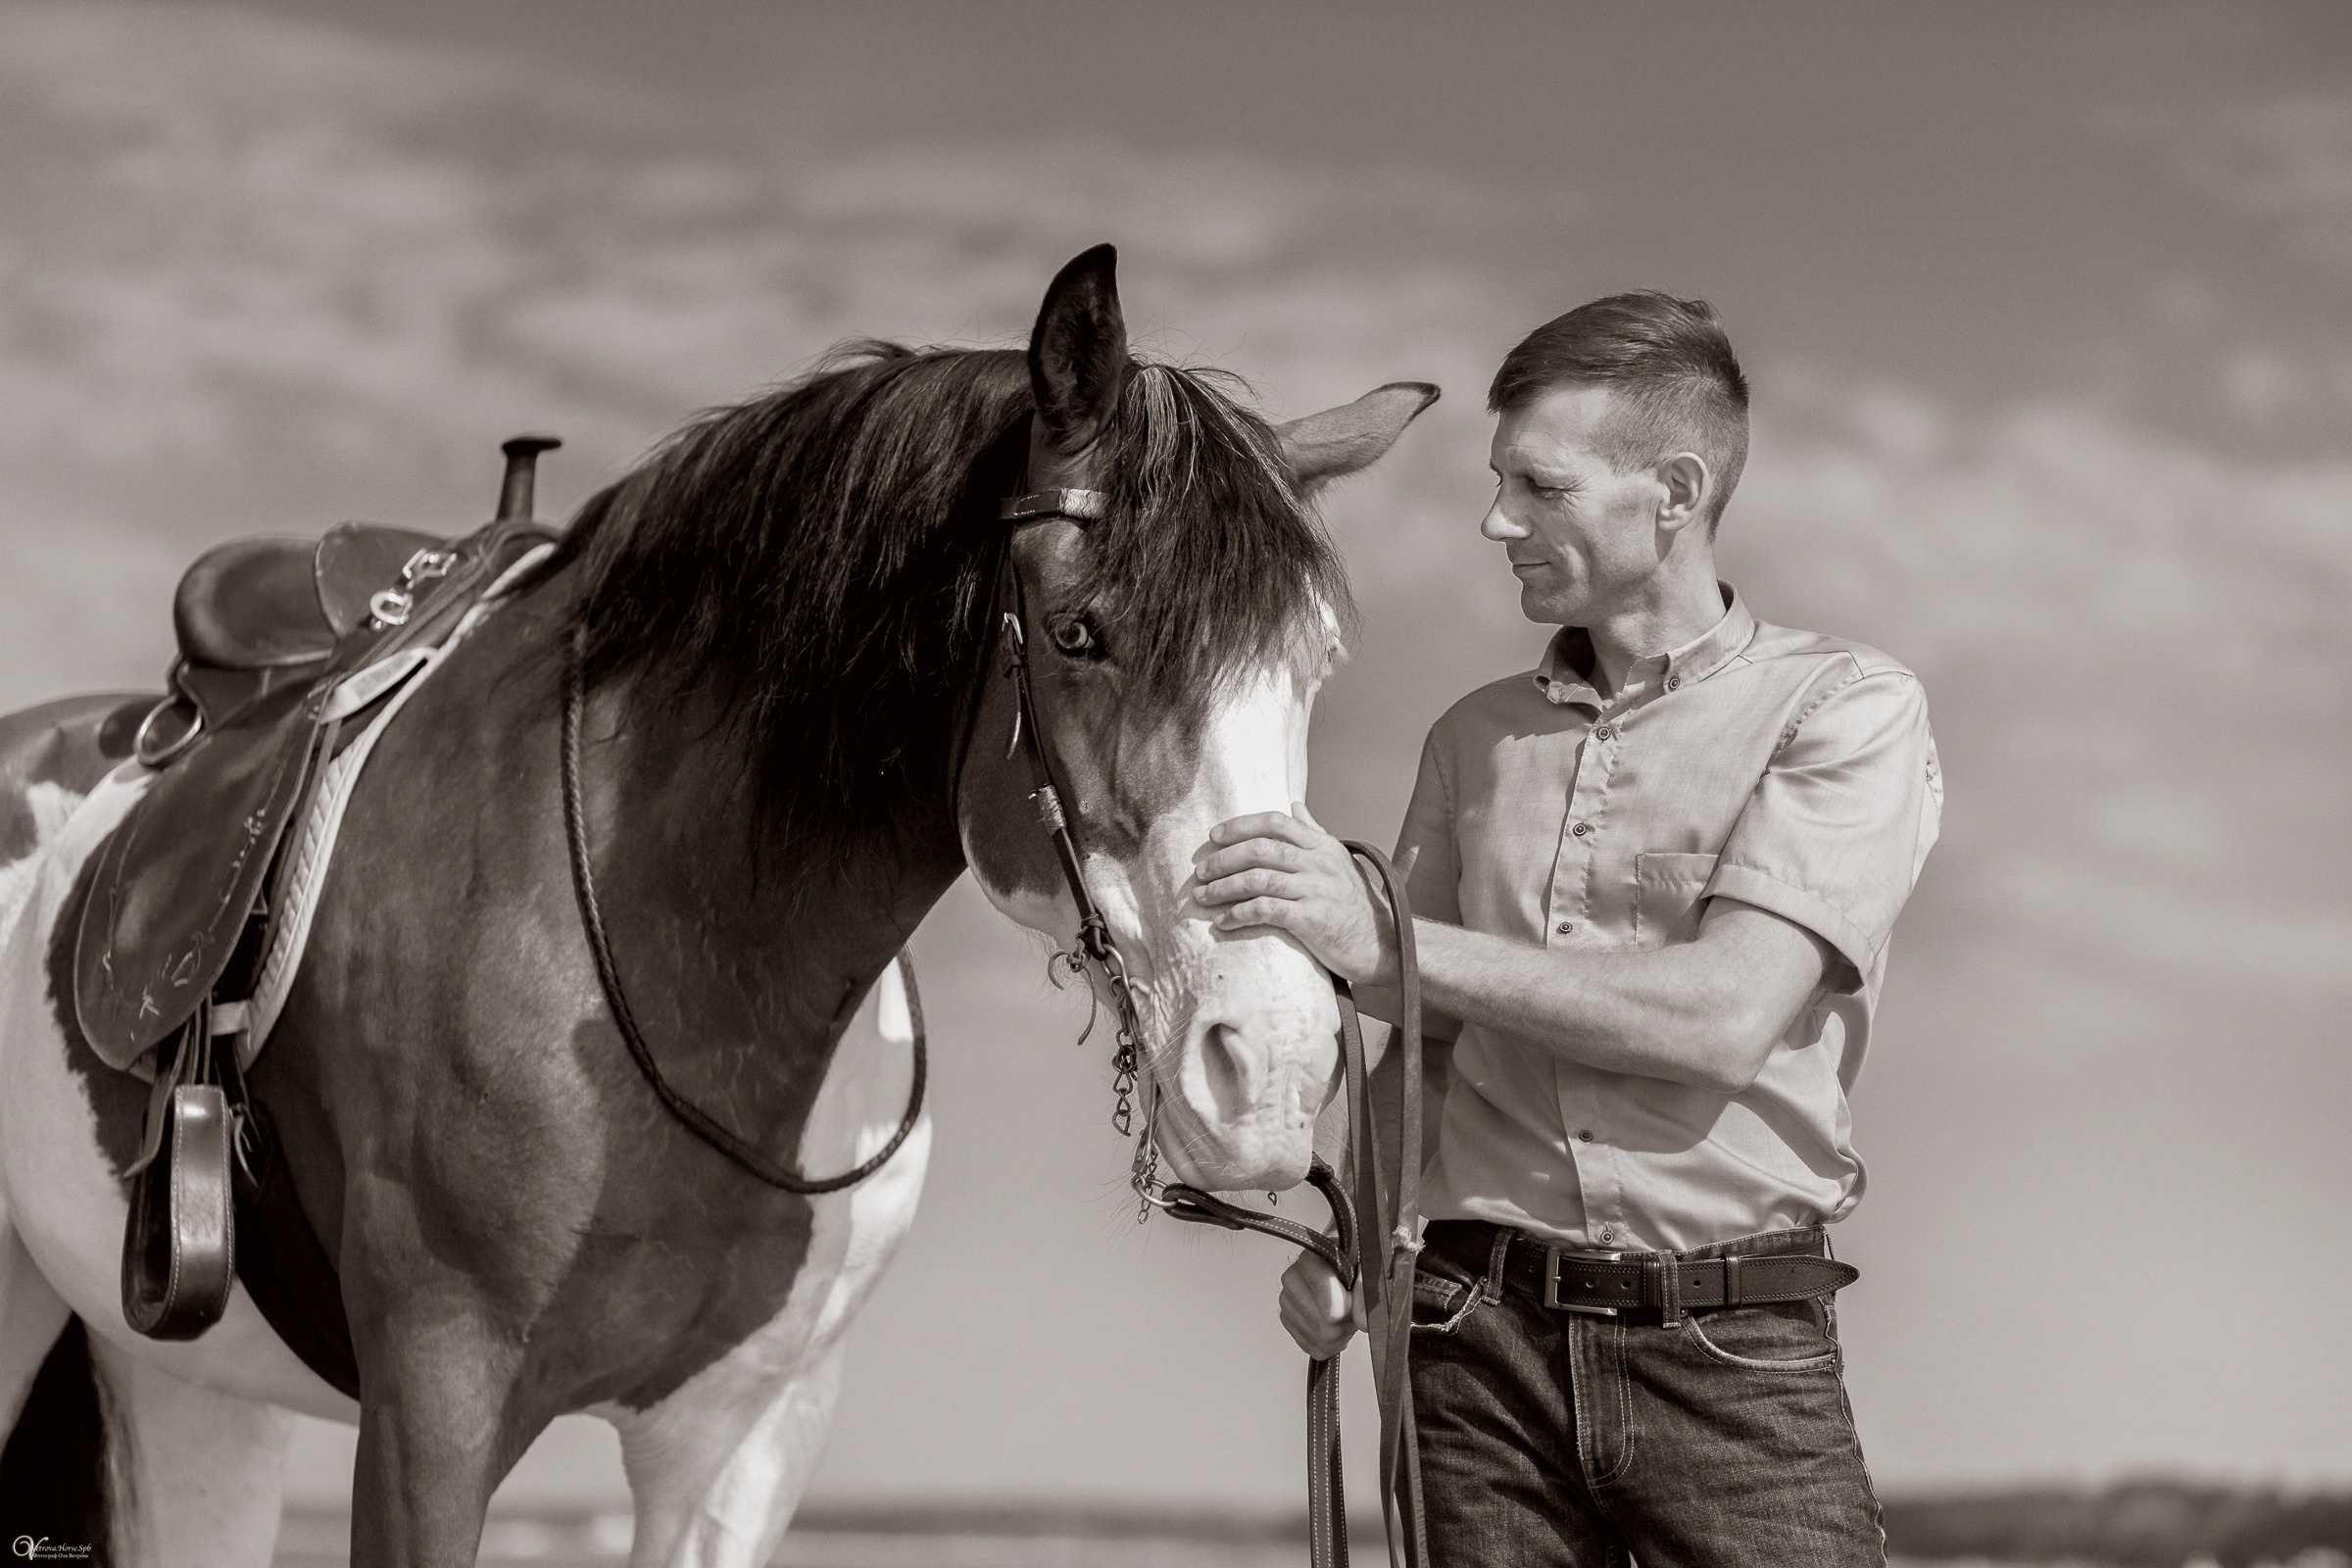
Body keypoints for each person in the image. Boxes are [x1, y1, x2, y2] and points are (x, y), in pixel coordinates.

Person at [1194, 291, 1941, 1565]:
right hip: (1466, 1340)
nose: (1498, 522)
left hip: (1733, 1346)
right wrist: (1355, 1245)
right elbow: (1420, 1050)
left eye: (1539, 486)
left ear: (1675, 491)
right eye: (1499, 484)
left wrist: (1391, 948)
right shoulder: (1472, 739)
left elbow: (1724, 1017)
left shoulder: (1847, 709)